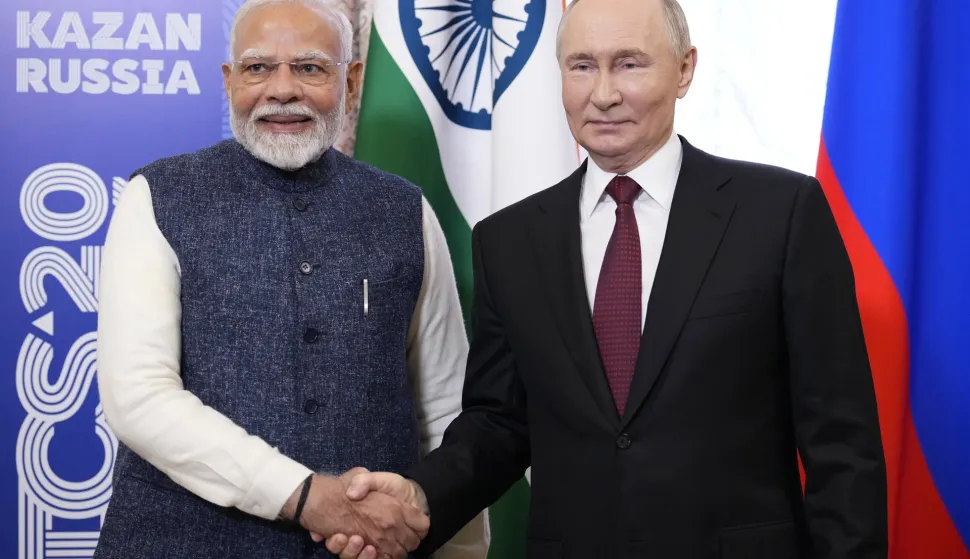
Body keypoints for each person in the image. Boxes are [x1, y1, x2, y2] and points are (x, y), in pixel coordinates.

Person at [327, 0, 889, 557]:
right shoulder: (508, 240)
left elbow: (841, 441)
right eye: (581, 66)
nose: (603, 94)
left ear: (685, 69)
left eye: (629, 63)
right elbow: (499, 423)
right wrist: (421, 497)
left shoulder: (781, 213)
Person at [92, 0, 487, 557]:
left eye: (309, 67)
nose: (282, 89)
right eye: (258, 68)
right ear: (229, 82)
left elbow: (447, 405)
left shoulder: (406, 210)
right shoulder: (156, 198)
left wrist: (460, 548)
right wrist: (305, 496)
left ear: (350, 83)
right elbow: (139, 397)